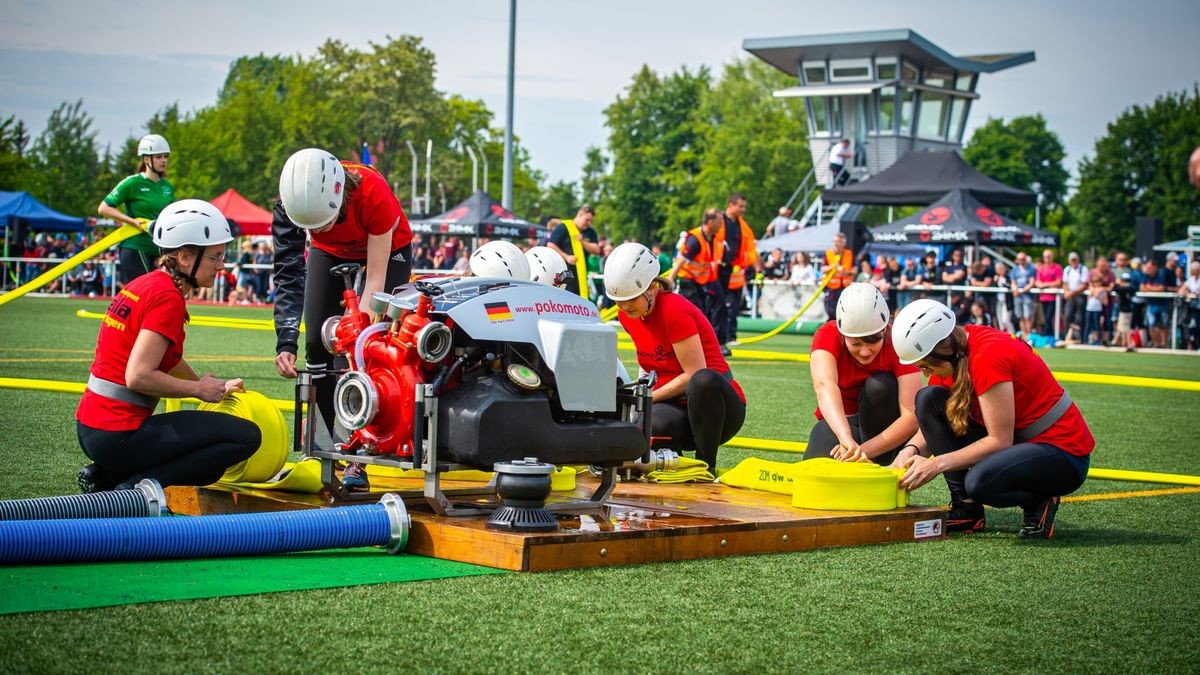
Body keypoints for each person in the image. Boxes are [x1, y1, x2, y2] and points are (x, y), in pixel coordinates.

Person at [75, 199, 260, 493]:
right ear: (185, 257)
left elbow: (168, 360)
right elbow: (138, 376)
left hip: (93, 429)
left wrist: (210, 384)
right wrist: (199, 390)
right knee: (246, 437)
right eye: (215, 257)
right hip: (116, 435)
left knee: (209, 459)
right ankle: (134, 490)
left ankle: (106, 476)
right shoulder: (167, 297)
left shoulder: (148, 283)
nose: (221, 266)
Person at [890, 299, 1095, 538]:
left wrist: (936, 464)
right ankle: (966, 510)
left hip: (1062, 453)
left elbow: (1000, 440)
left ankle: (1041, 499)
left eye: (926, 366)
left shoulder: (988, 355)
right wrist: (910, 450)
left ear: (944, 350)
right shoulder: (956, 352)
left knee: (980, 483)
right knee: (928, 398)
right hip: (1022, 444)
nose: (925, 373)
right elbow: (935, 418)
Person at [272, 148, 414, 491]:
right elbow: (288, 273)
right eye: (312, 226)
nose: (319, 228)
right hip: (331, 252)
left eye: (325, 221)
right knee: (317, 347)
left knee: (364, 349)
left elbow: (376, 280)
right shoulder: (290, 206)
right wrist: (286, 338)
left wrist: (357, 334)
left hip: (387, 248)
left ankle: (358, 453)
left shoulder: (372, 191)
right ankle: (318, 449)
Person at [607, 242, 745, 472]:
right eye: (618, 299)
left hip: (717, 409)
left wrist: (645, 399)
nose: (623, 306)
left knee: (703, 380)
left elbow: (693, 375)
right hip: (676, 406)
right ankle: (674, 466)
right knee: (652, 424)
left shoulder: (673, 311)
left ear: (652, 288)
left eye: (631, 298)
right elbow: (648, 365)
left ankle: (705, 466)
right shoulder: (628, 316)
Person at [803, 283, 920, 465]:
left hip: (886, 426)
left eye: (872, 341)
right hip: (843, 422)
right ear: (842, 334)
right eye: (855, 344)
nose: (865, 352)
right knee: (815, 471)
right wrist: (846, 439)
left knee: (880, 385)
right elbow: (825, 386)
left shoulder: (898, 340)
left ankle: (880, 463)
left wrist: (859, 452)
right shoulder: (827, 334)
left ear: (884, 329)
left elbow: (911, 417)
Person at [97, 134, 176, 286]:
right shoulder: (132, 183)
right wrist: (132, 222)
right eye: (159, 157)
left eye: (166, 156)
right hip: (135, 246)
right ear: (146, 159)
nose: (164, 160)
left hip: (159, 248)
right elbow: (104, 208)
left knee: (159, 292)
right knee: (142, 291)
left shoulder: (167, 187)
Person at [715, 193, 761, 351]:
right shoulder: (719, 221)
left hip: (731, 269)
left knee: (725, 305)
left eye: (744, 206)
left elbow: (751, 247)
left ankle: (722, 340)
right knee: (715, 304)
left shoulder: (742, 226)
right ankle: (714, 339)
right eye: (740, 206)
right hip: (715, 268)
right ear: (731, 205)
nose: (743, 209)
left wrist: (758, 268)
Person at [669, 208, 722, 317]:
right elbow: (681, 260)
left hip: (699, 283)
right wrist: (670, 278)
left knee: (702, 313)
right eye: (719, 222)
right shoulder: (695, 239)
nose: (721, 225)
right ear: (710, 222)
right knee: (696, 314)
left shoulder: (710, 238)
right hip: (688, 282)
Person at [546, 205, 601, 297]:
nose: (589, 223)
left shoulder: (590, 232)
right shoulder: (564, 227)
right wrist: (567, 257)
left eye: (591, 221)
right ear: (580, 214)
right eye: (587, 220)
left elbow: (596, 250)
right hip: (563, 273)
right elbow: (550, 245)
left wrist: (582, 241)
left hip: (580, 275)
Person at [821, 231, 855, 320]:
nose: (836, 244)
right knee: (831, 310)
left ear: (843, 243)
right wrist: (833, 267)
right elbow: (823, 269)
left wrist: (847, 273)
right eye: (835, 241)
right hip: (831, 287)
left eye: (839, 242)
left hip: (845, 287)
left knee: (844, 310)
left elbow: (855, 269)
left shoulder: (849, 253)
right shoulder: (828, 253)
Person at [1139, 258, 1171, 348]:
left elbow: (1162, 289)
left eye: (1150, 267)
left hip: (1162, 303)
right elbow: (1142, 288)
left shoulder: (1161, 274)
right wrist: (1154, 288)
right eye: (1147, 267)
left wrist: (1149, 287)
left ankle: (1163, 344)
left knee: (1163, 325)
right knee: (1151, 325)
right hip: (1151, 304)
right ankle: (1156, 343)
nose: (1148, 269)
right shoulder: (1145, 275)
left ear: (1155, 267)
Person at [1085, 257, 1114, 346]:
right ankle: (1089, 340)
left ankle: (1104, 341)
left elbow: (1110, 287)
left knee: (1106, 322)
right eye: (1101, 265)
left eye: (1104, 265)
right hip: (1092, 307)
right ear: (1097, 264)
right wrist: (1094, 290)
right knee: (1090, 324)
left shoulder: (1111, 273)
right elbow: (1090, 285)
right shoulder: (1092, 272)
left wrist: (1101, 289)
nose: (1103, 267)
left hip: (1105, 302)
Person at [1061, 252, 1089, 343]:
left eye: (1075, 259)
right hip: (1070, 295)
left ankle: (1079, 337)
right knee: (1067, 316)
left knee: (1079, 317)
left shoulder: (1083, 269)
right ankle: (1067, 336)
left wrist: (1072, 293)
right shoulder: (1067, 269)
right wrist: (1067, 292)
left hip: (1079, 295)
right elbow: (1065, 283)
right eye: (1072, 260)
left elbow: (1084, 284)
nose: (1073, 262)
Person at [1034, 249, 1063, 337]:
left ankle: (1046, 335)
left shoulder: (1057, 267)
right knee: (1045, 319)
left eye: (1049, 257)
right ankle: (1049, 336)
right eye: (1046, 257)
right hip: (1043, 298)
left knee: (1048, 318)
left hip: (1053, 298)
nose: (1047, 259)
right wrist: (1042, 285)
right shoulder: (1041, 268)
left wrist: (1045, 284)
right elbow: (1037, 282)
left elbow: (1058, 282)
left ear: (1052, 257)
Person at [1010, 252, 1037, 338]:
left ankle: (1029, 336)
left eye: (1023, 259)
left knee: (1027, 316)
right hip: (1018, 296)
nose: (1021, 261)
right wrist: (1015, 290)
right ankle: (1024, 336)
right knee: (1020, 317)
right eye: (1020, 260)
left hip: (1027, 296)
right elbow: (1013, 282)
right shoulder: (1015, 269)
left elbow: (1032, 282)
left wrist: (1021, 291)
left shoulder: (1031, 268)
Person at [1180, 260, 1200, 350]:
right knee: (1192, 326)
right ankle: (1193, 345)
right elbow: (1181, 290)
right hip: (1193, 307)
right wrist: (1188, 292)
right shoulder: (1191, 279)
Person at [991, 261, 1014, 333]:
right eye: (999, 269)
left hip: (1006, 302)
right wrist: (995, 281)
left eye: (1002, 268)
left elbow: (1010, 286)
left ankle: (1013, 335)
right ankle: (1004, 336)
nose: (1001, 270)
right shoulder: (995, 277)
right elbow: (992, 289)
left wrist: (1003, 283)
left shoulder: (1008, 277)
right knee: (1000, 321)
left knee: (1006, 320)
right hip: (998, 302)